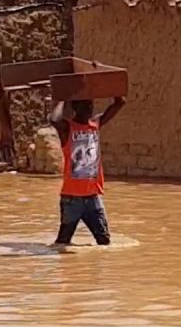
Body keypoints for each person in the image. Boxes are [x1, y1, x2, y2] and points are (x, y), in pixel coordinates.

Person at [52, 93, 126, 247]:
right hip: (71, 199)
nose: (89, 109)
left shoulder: (96, 123)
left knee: (104, 242)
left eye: (91, 105)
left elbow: (120, 103)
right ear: (75, 108)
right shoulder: (67, 129)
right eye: (85, 106)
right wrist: (63, 97)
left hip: (93, 198)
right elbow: (54, 119)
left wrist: (112, 89)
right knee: (63, 243)